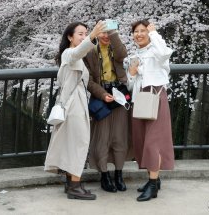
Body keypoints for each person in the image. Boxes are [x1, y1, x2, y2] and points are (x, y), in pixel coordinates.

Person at [44, 20, 106, 200]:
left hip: (75, 103)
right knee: (79, 143)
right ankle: (74, 186)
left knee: (73, 143)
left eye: (85, 33)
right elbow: (78, 52)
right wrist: (93, 36)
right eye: (80, 34)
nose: (84, 36)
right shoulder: (69, 53)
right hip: (73, 105)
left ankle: (72, 183)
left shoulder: (75, 56)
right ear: (70, 37)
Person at [125, 20, 175, 202]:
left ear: (149, 32)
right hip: (140, 98)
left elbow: (163, 53)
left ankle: (153, 186)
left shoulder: (157, 50)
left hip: (155, 96)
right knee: (142, 140)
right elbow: (131, 85)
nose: (139, 34)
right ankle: (154, 179)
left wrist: (154, 33)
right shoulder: (134, 55)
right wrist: (131, 73)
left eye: (143, 31)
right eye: (136, 31)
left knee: (153, 142)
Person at [84, 27, 130, 193]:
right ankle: (104, 174)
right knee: (102, 137)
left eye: (108, 32)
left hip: (119, 96)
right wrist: (102, 94)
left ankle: (119, 173)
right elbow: (88, 80)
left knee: (120, 136)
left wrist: (113, 34)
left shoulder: (115, 48)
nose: (105, 35)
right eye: (102, 32)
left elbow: (122, 54)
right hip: (101, 97)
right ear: (96, 33)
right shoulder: (89, 52)